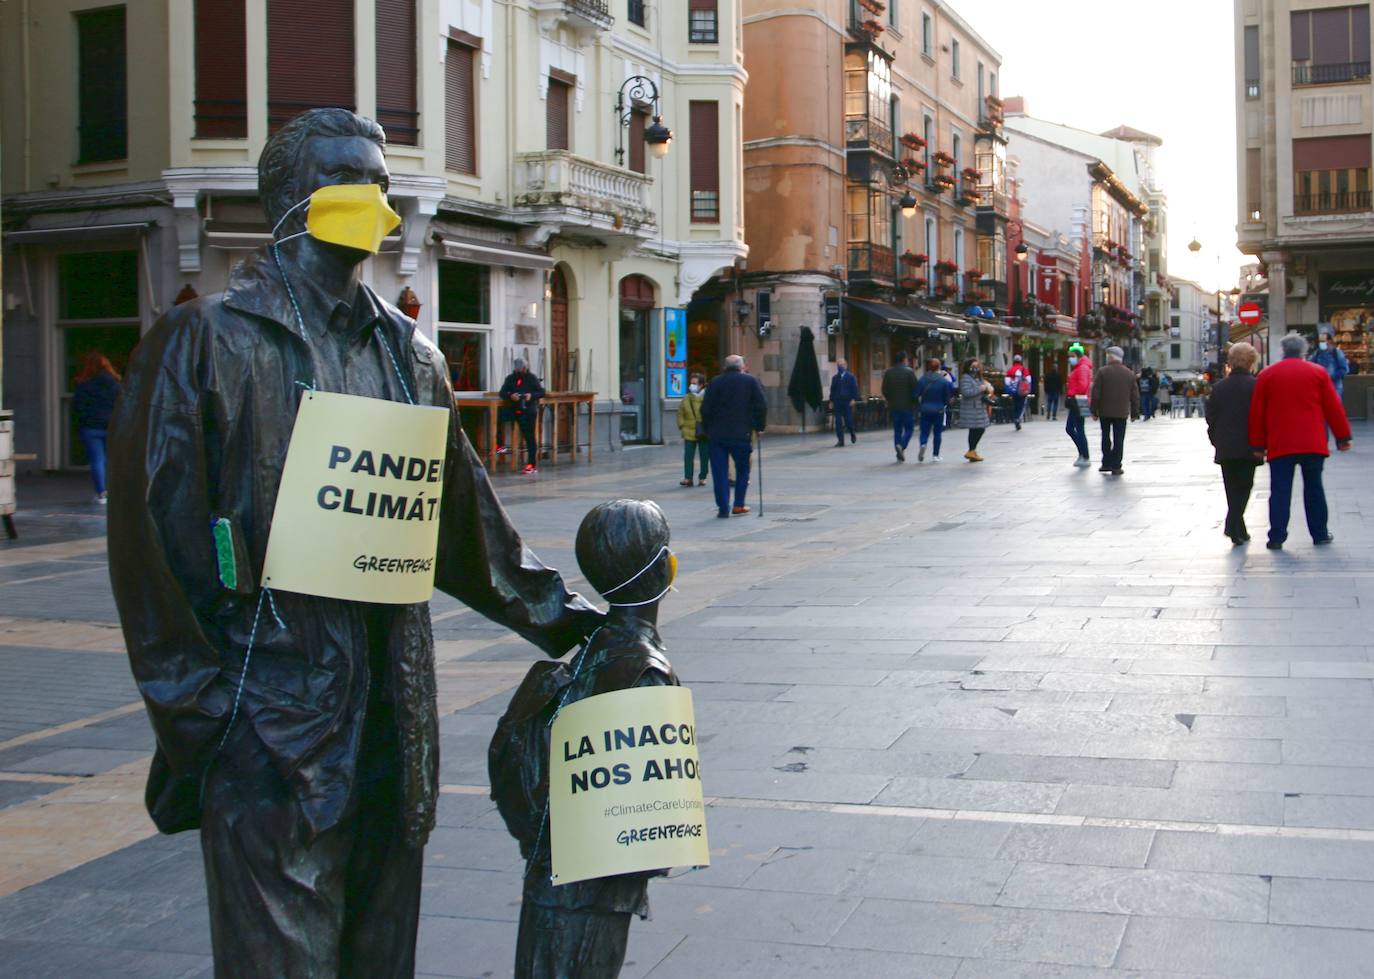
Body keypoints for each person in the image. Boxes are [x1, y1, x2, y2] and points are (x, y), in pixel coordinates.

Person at [106, 108, 600, 978]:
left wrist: (580, 626)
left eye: (383, 179)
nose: (378, 196)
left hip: (390, 726)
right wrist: (207, 716)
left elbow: (465, 532)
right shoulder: (205, 340)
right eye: (354, 178)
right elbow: (151, 547)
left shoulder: (413, 356)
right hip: (267, 730)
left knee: (381, 961)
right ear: (296, 199)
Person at [491, 499, 678, 979]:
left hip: (551, 877)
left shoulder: (596, 642)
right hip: (590, 893)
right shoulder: (643, 669)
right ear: (661, 571)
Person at [1249, 332, 1353, 549]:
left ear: (1283, 351)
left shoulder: (1267, 375)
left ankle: (1276, 537)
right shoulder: (1318, 373)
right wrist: (1342, 438)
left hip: (1281, 443)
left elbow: (1257, 412)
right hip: (1312, 443)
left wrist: (1258, 445)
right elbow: (1333, 407)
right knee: (1314, 488)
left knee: (1280, 490)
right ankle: (1320, 533)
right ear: (1304, 351)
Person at [1206, 343, 1262, 545]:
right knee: (1245, 486)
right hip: (1249, 444)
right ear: (1251, 362)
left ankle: (1240, 529)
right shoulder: (1256, 385)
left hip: (1226, 445)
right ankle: (1232, 524)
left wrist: (1216, 439)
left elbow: (1210, 416)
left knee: (1231, 488)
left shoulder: (1219, 387)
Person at [701, 354, 767, 518]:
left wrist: (708, 428)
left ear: (725, 367)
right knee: (743, 469)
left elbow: (705, 408)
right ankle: (738, 504)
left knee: (719, 472)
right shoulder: (750, 381)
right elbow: (761, 405)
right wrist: (759, 427)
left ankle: (723, 508)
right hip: (741, 433)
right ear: (741, 366)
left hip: (717, 435)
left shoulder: (715, 382)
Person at [72, 351, 121, 504]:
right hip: (111, 426)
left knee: (97, 460)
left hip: (90, 427)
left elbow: (78, 407)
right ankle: (114, 490)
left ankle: (101, 492)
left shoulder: (83, 385)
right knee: (111, 460)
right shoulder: (116, 384)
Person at [1090, 346, 1140, 476]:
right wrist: (1135, 413)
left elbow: (1095, 394)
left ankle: (1106, 462)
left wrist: (1094, 411)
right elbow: (1135, 396)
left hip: (1104, 412)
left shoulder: (1102, 372)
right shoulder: (1129, 373)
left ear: (1111, 357)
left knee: (1105, 437)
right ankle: (1116, 465)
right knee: (1119, 439)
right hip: (1121, 412)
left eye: (1108, 355)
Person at [500, 358, 546, 474]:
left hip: (528, 410)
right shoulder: (510, 378)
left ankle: (531, 464)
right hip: (513, 408)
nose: (521, 371)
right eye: (518, 370)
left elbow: (541, 392)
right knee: (499, 417)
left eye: (522, 369)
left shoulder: (532, 378)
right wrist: (510, 395)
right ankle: (499, 444)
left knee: (529, 436)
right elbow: (502, 392)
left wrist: (531, 395)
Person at [881, 350, 919, 462]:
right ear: (904, 360)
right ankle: (902, 446)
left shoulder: (889, 372)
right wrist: (914, 402)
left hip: (893, 406)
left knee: (897, 429)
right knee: (909, 428)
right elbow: (915, 389)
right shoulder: (909, 372)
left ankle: (898, 447)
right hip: (906, 406)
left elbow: (884, 389)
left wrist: (890, 399)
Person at [916, 358, 955, 462]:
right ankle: (935, 455)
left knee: (924, 431)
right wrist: (946, 403)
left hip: (925, 409)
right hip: (939, 409)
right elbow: (947, 398)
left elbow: (916, 394)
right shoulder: (943, 381)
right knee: (937, 433)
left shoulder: (923, 379)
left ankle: (923, 444)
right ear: (939, 367)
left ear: (929, 367)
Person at [676, 372, 708, 487]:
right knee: (688, 456)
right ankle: (688, 478)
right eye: (691, 383)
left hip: (704, 431)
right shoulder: (687, 398)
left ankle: (702, 477)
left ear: (701, 385)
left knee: (704, 456)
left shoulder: (707, 398)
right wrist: (682, 425)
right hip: (689, 431)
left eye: (694, 383)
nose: (692, 386)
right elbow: (680, 413)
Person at [958, 357, 993, 462]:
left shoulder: (978, 378)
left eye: (977, 366)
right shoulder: (965, 378)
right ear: (968, 367)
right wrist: (980, 389)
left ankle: (972, 450)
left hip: (979, 408)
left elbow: (982, 389)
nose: (975, 369)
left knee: (980, 428)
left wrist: (986, 389)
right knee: (975, 429)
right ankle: (971, 450)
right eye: (973, 366)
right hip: (971, 408)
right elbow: (966, 392)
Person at [1064, 342, 1093, 467]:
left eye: (1071, 356)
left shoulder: (1082, 368)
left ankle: (1084, 455)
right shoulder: (1079, 367)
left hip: (1078, 400)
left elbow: (1082, 385)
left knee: (1077, 428)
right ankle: (1082, 454)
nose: (1070, 359)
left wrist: (1072, 392)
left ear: (1077, 355)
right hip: (1077, 400)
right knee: (1073, 428)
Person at [1311, 328, 1350, 397]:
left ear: (1329, 341)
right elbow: (1311, 367)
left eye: (1323, 341)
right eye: (1320, 341)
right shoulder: (1317, 353)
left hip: (1335, 388)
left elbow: (1344, 369)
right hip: (1320, 388)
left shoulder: (1337, 353)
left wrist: (1331, 377)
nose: (1321, 343)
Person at [829, 358, 859, 446]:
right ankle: (840, 441)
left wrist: (853, 399)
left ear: (846, 365)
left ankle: (852, 432)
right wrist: (831, 401)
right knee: (838, 422)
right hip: (837, 402)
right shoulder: (835, 378)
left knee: (848, 421)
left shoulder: (851, 377)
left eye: (841, 365)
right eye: (838, 365)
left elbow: (854, 388)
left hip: (847, 402)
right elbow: (832, 390)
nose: (840, 367)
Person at [1005, 354, 1031, 430]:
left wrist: (1008, 391)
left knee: (1015, 405)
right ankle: (1017, 418)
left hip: (1013, 391)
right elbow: (1029, 381)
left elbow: (1007, 382)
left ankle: (1015, 417)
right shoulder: (1024, 370)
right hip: (1022, 391)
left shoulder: (1010, 370)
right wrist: (1028, 390)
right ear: (1021, 361)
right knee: (1021, 406)